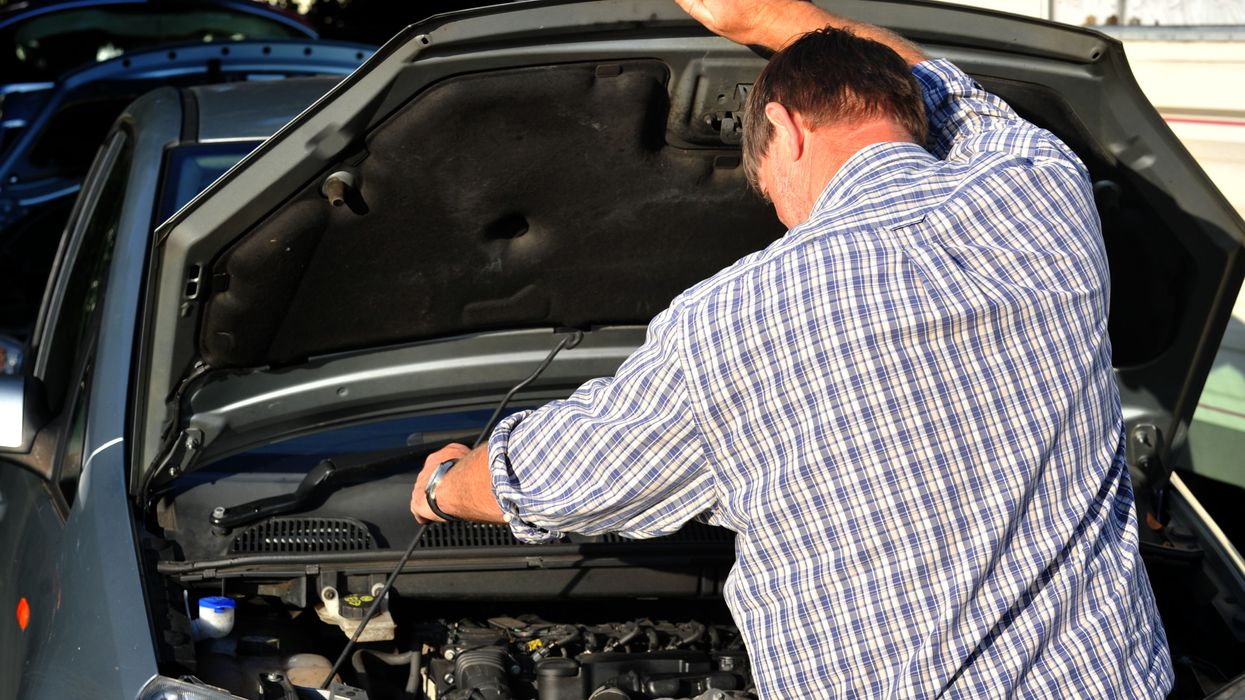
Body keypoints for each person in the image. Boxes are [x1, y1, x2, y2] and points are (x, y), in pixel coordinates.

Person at [410, 0, 1173, 696]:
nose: (778, 211)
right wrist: (766, 18)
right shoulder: (1041, 188)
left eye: (765, 182)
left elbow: (554, 475)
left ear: (786, 126)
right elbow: (941, 87)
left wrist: (446, 484)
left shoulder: (728, 322)